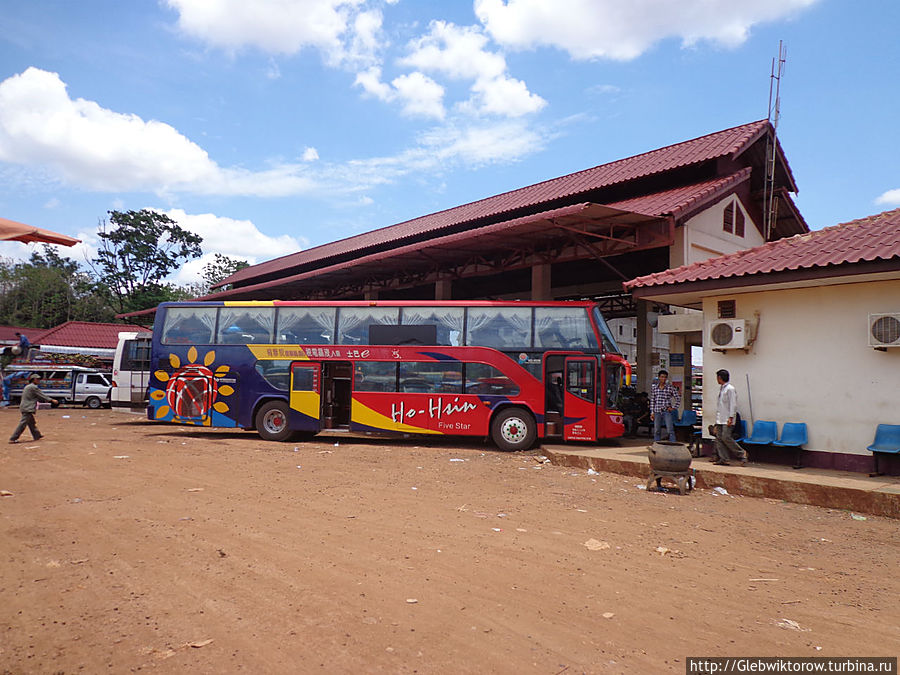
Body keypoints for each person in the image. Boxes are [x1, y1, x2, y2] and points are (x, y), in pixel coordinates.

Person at [9, 373, 58, 444]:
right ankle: (13, 438)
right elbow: (41, 395)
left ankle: (37, 435)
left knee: (31, 422)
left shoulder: (28, 386)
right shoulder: (33, 387)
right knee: (23, 423)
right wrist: (51, 400)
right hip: (27, 407)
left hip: (25, 406)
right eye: (37, 379)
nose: (39, 380)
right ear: (33, 380)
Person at [712, 368, 747, 466]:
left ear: (719, 378)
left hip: (727, 418)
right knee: (719, 438)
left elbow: (733, 404)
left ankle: (741, 453)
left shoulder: (730, 389)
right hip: (720, 418)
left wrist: (731, 417)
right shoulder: (722, 389)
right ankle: (724, 458)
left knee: (726, 437)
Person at [650, 369, 681, 442]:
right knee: (657, 430)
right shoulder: (654, 388)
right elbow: (652, 400)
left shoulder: (670, 388)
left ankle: (673, 444)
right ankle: (657, 444)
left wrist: (673, 407)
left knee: (670, 429)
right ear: (659, 377)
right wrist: (652, 412)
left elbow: (678, 398)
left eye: (665, 377)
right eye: (662, 377)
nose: (663, 379)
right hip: (657, 411)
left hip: (666, 411)